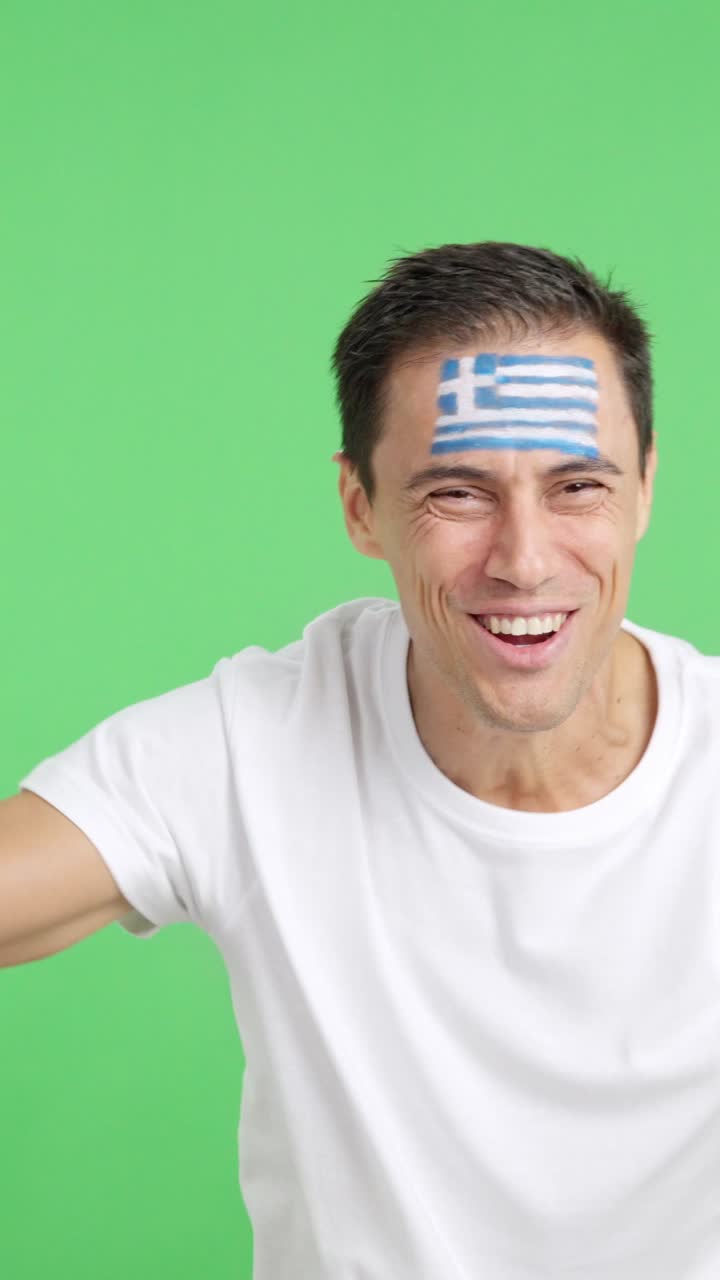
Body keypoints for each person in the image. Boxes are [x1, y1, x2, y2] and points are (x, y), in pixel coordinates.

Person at [2, 241, 718, 1280]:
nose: (523, 558)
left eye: (576, 486)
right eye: (457, 494)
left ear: (646, 486)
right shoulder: (254, 744)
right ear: (358, 506)